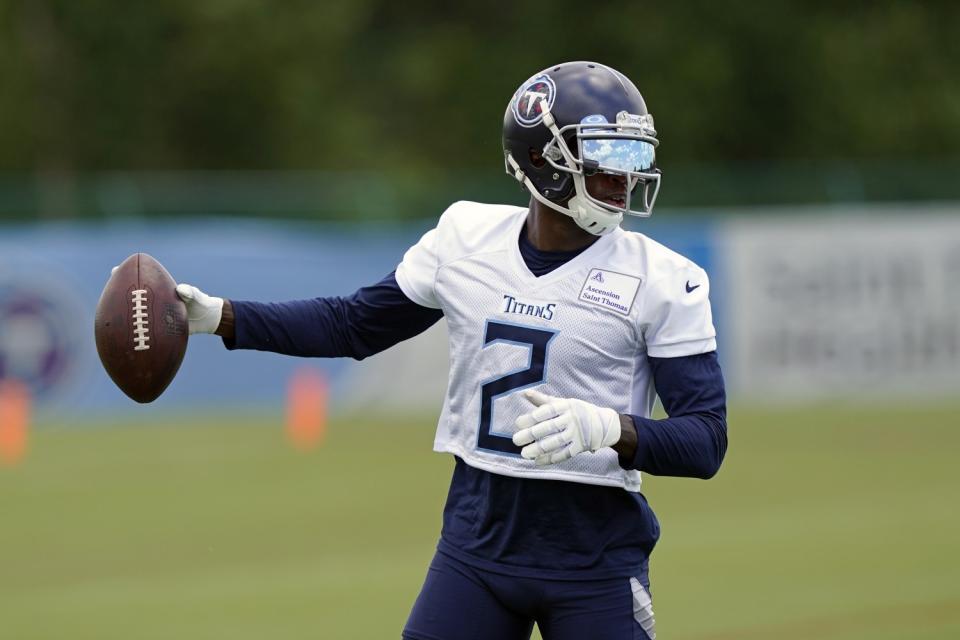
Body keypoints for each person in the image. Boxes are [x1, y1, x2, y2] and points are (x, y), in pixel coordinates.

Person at [176, 61, 727, 640]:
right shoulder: (466, 239)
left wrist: (612, 428)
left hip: (595, 558)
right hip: (476, 546)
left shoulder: (665, 279)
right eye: (607, 157)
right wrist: (221, 317)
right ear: (541, 159)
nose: (625, 177)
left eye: (633, 157)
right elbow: (352, 325)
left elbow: (706, 440)